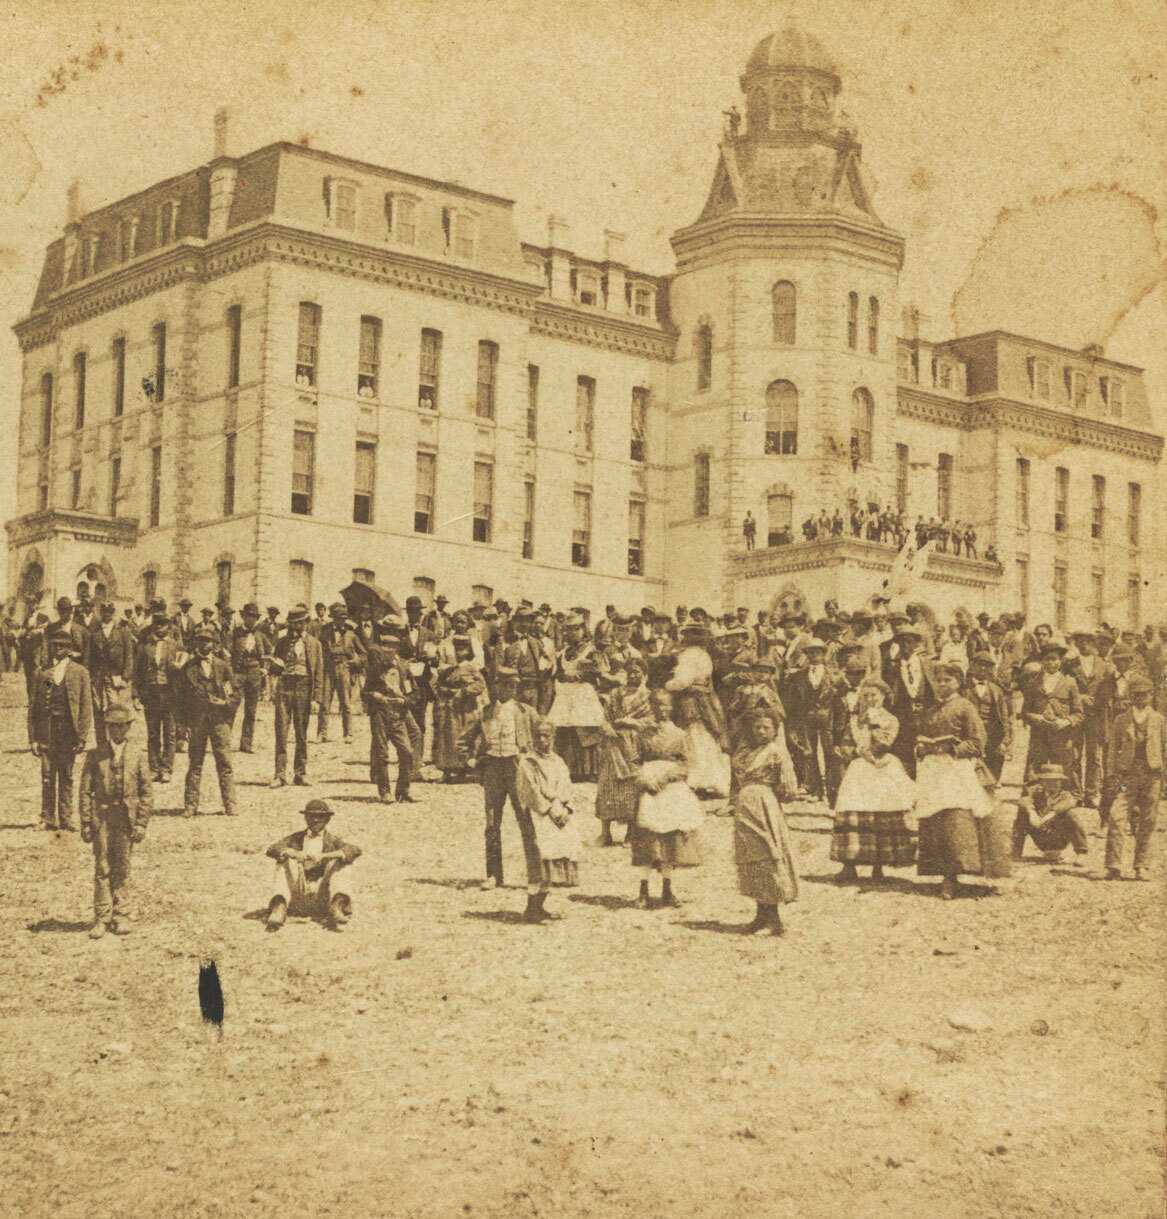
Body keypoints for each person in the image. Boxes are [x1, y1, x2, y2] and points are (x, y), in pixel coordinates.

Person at [913, 662, 1011, 899]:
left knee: (957, 820)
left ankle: (962, 874)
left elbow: (978, 742)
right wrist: (921, 748)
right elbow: (921, 736)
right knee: (935, 820)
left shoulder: (965, 707)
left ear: (958, 682)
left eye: (947, 680)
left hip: (957, 769)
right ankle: (945, 875)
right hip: (934, 771)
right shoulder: (930, 709)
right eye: (938, 681)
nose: (942, 685)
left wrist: (953, 748)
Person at [462, 666, 541, 891]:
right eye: (505, 685)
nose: (509, 689)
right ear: (496, 686)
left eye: (513, 685)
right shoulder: (484, 712)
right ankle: (494, 875)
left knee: (525, 821)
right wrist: (471, 760)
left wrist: (533, 760)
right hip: (493, 770)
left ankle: (535, 875)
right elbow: (464, 740)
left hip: (517, 768)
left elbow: (544, 735)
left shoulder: (526, 712)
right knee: (491, 824)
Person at [830, 679, 917, 882]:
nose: (869, 699)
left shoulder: (890, 720)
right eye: (865, 695)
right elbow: (846, 743)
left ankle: (878, 865)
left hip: (882, 766)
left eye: (874, 695)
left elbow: (885, 743)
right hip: (859, 767)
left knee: (880, 812)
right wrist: (851, 751)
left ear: (884, 697)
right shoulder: (854, 719)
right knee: (853, 810)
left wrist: (874, 723)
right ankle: (849, 864)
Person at [78, 704, 153, 938]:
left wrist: (141, 823)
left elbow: (146, 792)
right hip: (102, 817)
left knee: (122, 865)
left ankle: (121, 913)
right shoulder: (95, 755)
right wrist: (86, 821)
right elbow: (85, 791)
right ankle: (102, 917)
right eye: (113, 726)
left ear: (128, 727)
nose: (117, 731)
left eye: (121, 726)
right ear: (107, 728)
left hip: (125, 819)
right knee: (102, 866)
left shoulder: (138, 755)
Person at [630, 689, 704, 909]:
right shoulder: (643, 734)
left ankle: (667, 889)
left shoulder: (680, 735)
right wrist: (644, 780)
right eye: (657, 704)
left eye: (666, 705)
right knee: (647, 840)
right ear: (651, 707)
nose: (662, 709)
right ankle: (643, 890)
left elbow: (687, 764)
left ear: (672, 707)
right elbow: (633, 762)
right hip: (649, 789)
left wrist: (668, 776)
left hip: (671, 790)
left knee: (669, 841)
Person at [731, 709, 799, 934]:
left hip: (764, 805)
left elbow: (789, 790)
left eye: (766, 728)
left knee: (767, 855)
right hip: (745, 807)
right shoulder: (745, 751)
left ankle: (774, 919)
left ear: (775, 730)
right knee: (750, 857)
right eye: (757, 727)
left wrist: (771, 792)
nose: (761, 731)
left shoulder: (776, 753)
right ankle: (760, 914)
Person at [31, 625, 96, 832]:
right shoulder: (42, 673)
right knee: (47, 775)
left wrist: (82, 736)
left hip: (68, 731)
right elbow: (34, 708)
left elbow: (86, 707)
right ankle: (47, 817)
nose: (57, 649)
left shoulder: (80, 672)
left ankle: (66, 818)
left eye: (62, 645)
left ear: (69, 648)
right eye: (54, 645)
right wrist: (33, 738)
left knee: (67, 775)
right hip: (47, 731)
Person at [516, 719, 581, 923]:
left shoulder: (558, 761)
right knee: (539, 861)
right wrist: (548, 808)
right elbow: (530, 791)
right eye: (538, 736)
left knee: (555, 859)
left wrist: (566, 807)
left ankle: (540, 905)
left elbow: (566, 785)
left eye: (546, 736)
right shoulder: (528, 762)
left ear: (553, 737)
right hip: (539, 816)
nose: (542, 740)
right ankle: (531, 908)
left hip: (559, 814)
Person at [264, 799, 361, 931]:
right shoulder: (296, 838)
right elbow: (272, 849)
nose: (315, 820)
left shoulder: (332, 841)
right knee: (284, 859)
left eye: (320, 817)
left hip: (322, 897)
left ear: (327, 820)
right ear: (305, 818)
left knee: (341, 861)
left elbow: (354, 850)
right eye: (311, 816)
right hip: (298, 896)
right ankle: (279, 907)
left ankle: (337, 906)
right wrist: (292, 853)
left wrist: (325, 856)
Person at [1103, 675, 1164, 881]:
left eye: (1144, 695)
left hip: (1152, 775)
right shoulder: (1121, 720)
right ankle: (1113, 865)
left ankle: (1141, 865)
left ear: (1151, 695)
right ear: (1131, 696)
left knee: (1148, 820)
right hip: (1126, 776)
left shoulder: (1159, 720)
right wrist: (1111, 774)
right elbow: (1112, 749)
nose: (1140, 698)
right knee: (1116, 816)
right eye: (1136, 695)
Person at [179, 626, 239, 818]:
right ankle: (190, 805)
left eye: (207, 641)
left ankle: (230, 804)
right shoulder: (188, 668)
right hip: (197, 722)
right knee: (195, 763)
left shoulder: (223, 666)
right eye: (200, 640)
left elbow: (235, 694)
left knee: (224, 762)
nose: (204, 644)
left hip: (219, 721)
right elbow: (180, 699)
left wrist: (225, 703)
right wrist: (183, 724)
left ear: (214, 644)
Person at [665, 622, 730, 798]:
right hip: (704, 699)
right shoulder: (703, 654)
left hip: (691, 700)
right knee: (706, 739)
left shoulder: (689, 655)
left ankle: (697, 781)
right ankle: (710, 781)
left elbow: (683, 681)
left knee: (694, 738)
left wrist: (667, 685)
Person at [594, 656, 653, 845]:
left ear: (644, 674)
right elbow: (604, 717)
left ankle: (630, 832)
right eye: (630, 672)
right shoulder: (615, 694)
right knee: (607, 786)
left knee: (632, 788)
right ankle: (605, 833)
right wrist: (607, 729)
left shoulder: (648, 696)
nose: (633, 675)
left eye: (637, 672)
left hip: (634, 746)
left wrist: (631, 722)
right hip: (612, 745)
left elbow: (652, 721)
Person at [363, 624, 420, 804]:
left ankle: (403, 791)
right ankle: (385, 791)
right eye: (384, 648)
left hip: (398, 716)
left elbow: (415, 694)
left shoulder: (403, 668)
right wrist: (375, 695)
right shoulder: (375, 669)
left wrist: (405, 701)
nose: (387, 652)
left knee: (407, 752)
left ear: (396, 649)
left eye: (391, 649)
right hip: (380, 714)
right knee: (381, 754)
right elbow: (364, 693)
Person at [270, 604, 324, 788]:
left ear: (306, 623)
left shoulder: (315, 644)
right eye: (294, 623)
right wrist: (274, 670)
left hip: (304, 688)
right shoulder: (282, 642)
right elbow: (274, 668)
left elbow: (319, 672)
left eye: (300, 623)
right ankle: (280, 774)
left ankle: (300, 773)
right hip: (285, 687)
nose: (297, 626)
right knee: (281, 731)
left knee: (301, 733)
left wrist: (316, 698)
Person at [432, 613, 488, 781]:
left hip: (467, 693)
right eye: (457, 621)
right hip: (450, 691)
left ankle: (465, 767)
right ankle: (448, 767)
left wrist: (465, 669)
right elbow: (440, 665)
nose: (460, 624)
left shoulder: (474, 642)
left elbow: (479, 663)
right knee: (448, 731)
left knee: (467, 731)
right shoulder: (445, 642)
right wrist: (452, 668)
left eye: (463, 622)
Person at [1021, 640, 1083, 786]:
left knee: (1065, 770)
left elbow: (1079, 713)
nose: (1050, 663)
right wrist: (1036, 717)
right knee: (1035, 771)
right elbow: (1025, 712)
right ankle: (1034, 796)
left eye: (1054, 659)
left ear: (1060, 661)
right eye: (1047, 659)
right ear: (1042, 661)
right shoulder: (1033, 684)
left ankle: (1066, 796)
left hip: (1062, 736)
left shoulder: (1070, 683)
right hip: (1039, 736)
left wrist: (1065, 722)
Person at [134, 612, 181, 783]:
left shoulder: (176, 646)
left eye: (163, 624)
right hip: (151, 693)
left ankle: (166, 768)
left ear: (169, 626)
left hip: (170, 694)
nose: (160, 627)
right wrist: (136, 694)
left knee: (170, 733)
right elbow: (137, 671)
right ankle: (154, 768)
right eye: (157, 624)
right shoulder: (145, 646)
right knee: (153, 733)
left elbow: (183, 671)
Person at [1011, 763, 1088, 866]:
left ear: (1061, 782)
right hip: (1040, 835)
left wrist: (1049, 815)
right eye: (1048, 781)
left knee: (1070, 815)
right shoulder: (1035, 792)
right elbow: (1023, 800)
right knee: (1022, 813)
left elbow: (1070, 803)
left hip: (1057, 838)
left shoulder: (1066, 795)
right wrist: (1031, 812)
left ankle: (1081, 853)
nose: (1052, 784)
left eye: (1056, 781)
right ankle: (1015, 852)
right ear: (1042, 782)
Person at [966, 650, 1012, 782]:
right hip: (970, 734)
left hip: (992, 735)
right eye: (979, 664)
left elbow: (1004, 717)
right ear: (972, 666)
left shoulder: (996, 690)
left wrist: (1005, 741)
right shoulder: (964, 688)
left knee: (994, 767)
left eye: (986, 666)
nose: (982, 668)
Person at [231, 603, 271, 753]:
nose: (251, 619)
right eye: (249, 616)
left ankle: (246, 743)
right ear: (243, 616)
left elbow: (269, 652)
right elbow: (226, 652)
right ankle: (224, 741)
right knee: (231, 707)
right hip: (238, 674)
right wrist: (229, 674)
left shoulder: (260, 635)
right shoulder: (235, 633)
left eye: (254, 617)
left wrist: (264, 668)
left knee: (251, 710)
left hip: (254, 674)